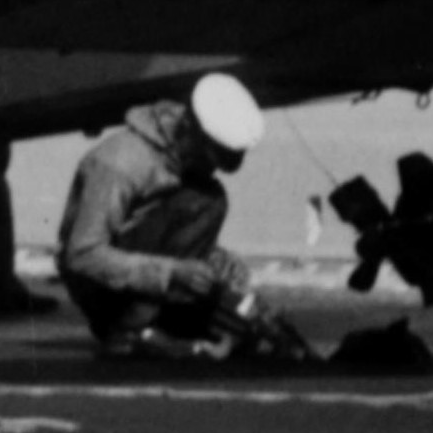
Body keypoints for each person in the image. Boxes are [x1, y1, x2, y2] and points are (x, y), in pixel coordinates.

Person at [51, 74, 289, 359]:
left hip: (147, 280)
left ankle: (161, 323)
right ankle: (129, 330)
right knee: (204, 200)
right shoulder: (121, 162)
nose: (211, 169)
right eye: (209, 157)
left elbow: (159, 232)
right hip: (99, 288)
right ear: (187, 130)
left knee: (254, 329)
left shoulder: (182, 160)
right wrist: (171, 272)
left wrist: (215, 262)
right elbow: (83, 254)